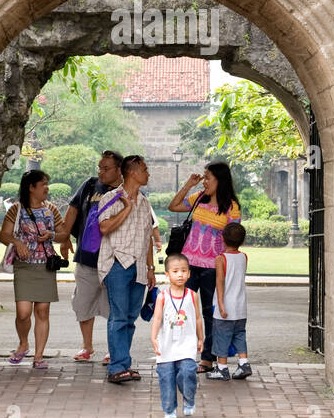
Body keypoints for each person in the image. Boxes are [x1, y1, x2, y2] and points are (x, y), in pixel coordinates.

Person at [167, 161, 242, 373]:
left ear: (220, 180)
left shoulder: (231, 208)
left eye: (208, 177)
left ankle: (207, 358)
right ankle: (180, 354)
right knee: (181, 309)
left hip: (212, 268)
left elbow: (234, 240)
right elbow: (173, 206)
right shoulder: (199, 198)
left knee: (210, 314)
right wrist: (188, 185)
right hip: (189, 265)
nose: (205, 181)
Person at [96, 154, 157, 384]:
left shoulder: (145, 202)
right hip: (117, 264)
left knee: (130, 318)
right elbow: (104, 227)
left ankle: (124, 363)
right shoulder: (111, 198)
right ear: (132, 172)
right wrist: (126, 209)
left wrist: (151, 268)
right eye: (145, 169)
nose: (148, 173)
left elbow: (148, 236)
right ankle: (117, 366)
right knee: (119, 317)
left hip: (140, 266)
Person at [0, 169, 67, 370]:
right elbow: (4, 235)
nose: (47, 188)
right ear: (31, 187)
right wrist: (16, 242)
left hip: (45, 266)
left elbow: (63, 235)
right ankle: (23, 343)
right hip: (24, 267)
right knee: (23, 312)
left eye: (47, 183)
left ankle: (38, 356)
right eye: (43, 184)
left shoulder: (51, 209)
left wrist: (51, 234)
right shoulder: (16, 209)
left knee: (43, 311)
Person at [62, 150, 122, 363]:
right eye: (100, 167)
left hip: (113, 259)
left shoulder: (125, 191)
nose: (101, 172)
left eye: (106, 168)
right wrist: (64, 236)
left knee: (111, 306)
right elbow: (73, 210)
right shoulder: (90, 185)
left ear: (119, 170)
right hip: (87, 256)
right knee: (83, 302)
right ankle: (87, 346)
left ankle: (112, 349)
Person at [151, 254, 204, 418]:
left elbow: (197, 318)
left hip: (187, 343)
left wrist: (200, 338)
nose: (180, 275)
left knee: (188, 372)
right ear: (167, 274)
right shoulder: (162, 297)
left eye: (183, 271)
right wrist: (153, 338)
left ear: (189, 273)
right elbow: (157, 319)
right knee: (166, 377)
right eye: (175, 271)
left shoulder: (192, 295)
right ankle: (169, 410)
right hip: (166, 345)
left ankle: (189, 400)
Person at [209, 223, 252, 380]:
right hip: (241, 307)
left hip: (226, 307)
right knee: (239, 335)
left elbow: (220, 281)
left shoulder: (221, 259)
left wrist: (220, 303)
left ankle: (222, 368)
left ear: (222, 238)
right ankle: (244, 363)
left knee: (222, 336)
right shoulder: (244, 257)